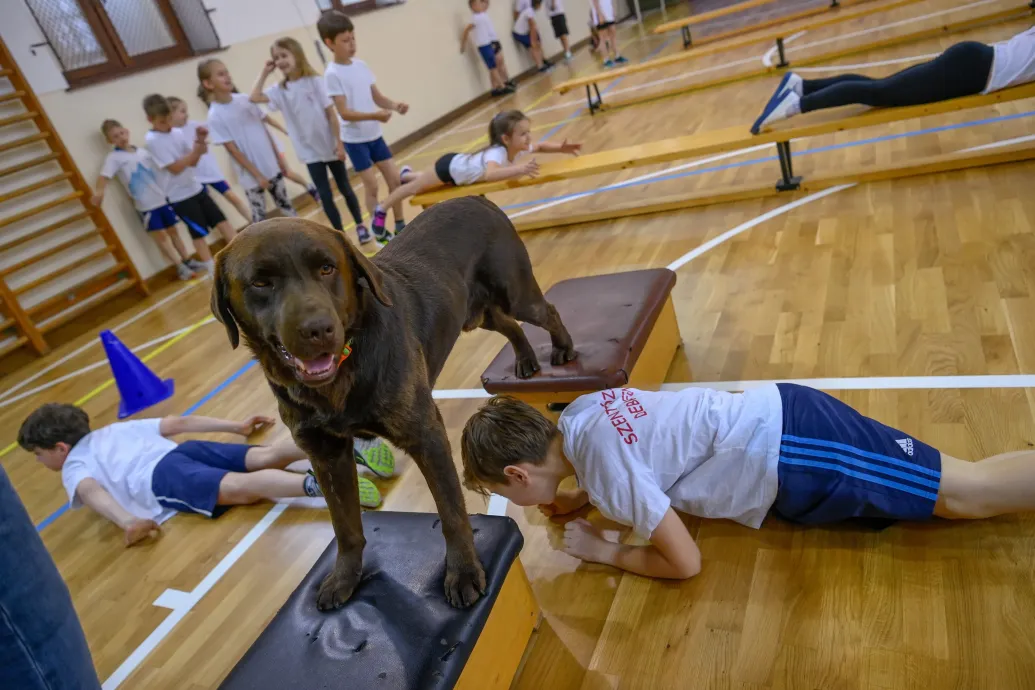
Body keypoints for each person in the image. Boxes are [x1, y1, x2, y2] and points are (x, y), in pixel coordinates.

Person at [460, 386, 1035, 580]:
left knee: (965, 492)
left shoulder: (609, 477)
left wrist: (605, 551)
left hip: (798, 450)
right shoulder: (579, 414)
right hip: (787, 419)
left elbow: (686, 563)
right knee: (957, 481)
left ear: (518, 473)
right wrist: (571, 499)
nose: (513, 502)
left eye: (507, 492)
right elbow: (631, 449)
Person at [17, 404, 396, 546]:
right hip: (186, 451)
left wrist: (128, 520)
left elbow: (90, 490)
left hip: (162, 478)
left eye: (38, 456)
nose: (40, 463)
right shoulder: (113, 430)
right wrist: (236, 425)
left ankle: (322, 484)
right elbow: (177, 422)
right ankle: (353, 444)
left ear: (60, 449)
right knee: (267, 455)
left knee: (243, 488)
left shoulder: (74, 466)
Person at [751, 27, 1035, 134]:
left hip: (975, 58)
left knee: (880, 86)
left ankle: (802, 86)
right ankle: (796, 104)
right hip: (972, 71)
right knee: (880, 92)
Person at [369, 110, 580, 234]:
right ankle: (382, 208)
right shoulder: (497, 154)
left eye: (528, 133)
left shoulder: (518, 148)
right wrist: (520, 169)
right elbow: (490, 175)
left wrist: (561, 148)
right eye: (523, 134)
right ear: (506, 139)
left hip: (458, 170)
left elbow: (541, 146)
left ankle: (406, 173)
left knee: (423, 180)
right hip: (449, 168)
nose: (528, 138)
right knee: (415, 188)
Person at [250, 37, 368, 242]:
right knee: (325, 194)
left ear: (297, 55)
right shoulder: (280, 91)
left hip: (330, 146)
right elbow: (254, 97)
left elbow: (332, 115)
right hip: (309, 151)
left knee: (345, 188)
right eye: (276, 58)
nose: (280, 61)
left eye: (284, 55)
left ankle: (360, 225)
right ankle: (340, 235)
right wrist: (264, 72)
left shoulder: (315, 82)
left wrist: (339, 144)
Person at [318, 11, 409, 246]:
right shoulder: (332, 75)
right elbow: (344, 113)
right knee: (372, 185)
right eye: (345, 41)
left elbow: (376, 97)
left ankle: (400, 225)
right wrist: (375, 116)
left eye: (353, 38)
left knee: (395, 180)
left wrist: (394, 105)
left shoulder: (361, 65)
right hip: (356, 141)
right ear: (329, 43)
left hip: (374, 136)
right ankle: (378, 229)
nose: (352, 44)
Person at [93, 119, 200, 281]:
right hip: (146, 205)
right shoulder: (114, 158)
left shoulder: (144, 152)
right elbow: (103, 177)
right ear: (110, 141)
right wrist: (99, 192)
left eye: (121, 133)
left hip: (162, 199)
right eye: (115, 137)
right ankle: (180, 266)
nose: (121, 138)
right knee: (162, 237)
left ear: (126, 131)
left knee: (174, 231)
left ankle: (188, 260)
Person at [198, 59, 300, 224]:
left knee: (287, 206)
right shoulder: (215, 115)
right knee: (259, 219)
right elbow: (233, 150)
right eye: (221, 74)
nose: (227, 77)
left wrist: (278, 159)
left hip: (271, 166)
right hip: (251, 177)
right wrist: (257, 175)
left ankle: (304, 237)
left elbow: (264, 130)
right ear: (209, 83)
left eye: (227, 72)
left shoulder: (245, 100)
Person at [143, 94, 236, 273]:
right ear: (150, 120)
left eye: (170, 119)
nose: (169, 124)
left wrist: (200, 141)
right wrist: (196, 150)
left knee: (222, 221)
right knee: (198, 233)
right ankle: (212, 270)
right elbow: (176, 168)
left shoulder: (176, 133)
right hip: (180, 197)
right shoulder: (152, 141)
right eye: (163, 122)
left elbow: (192, 160)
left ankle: (242, 256)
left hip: (196, 187)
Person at [166, 96, 253, 223]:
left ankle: (255, 223)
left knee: (232, 197)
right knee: (210, 209)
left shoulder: (196, 126)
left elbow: (214, 125)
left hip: (210, 171)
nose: (187, 114)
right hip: (193, 177)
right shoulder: (170, 136)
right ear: (171, 114)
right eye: (182, 111)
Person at [462, 0, 516, 97]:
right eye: (478, 4)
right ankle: (502, 86)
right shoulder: (474, 18)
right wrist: (463, 44)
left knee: (499, 62)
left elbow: (487, 3)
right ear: (473, 6)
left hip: (492, 42)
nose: (481, 5)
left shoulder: (483, 14)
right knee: (492, 67)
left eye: (481, 3)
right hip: (484, 45)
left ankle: (495, 87)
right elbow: (466, 30)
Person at [513, 0, 550, 73]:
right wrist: (533, 41)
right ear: (537, 4)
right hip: (519, 33)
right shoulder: (529, 12)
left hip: (525, 31)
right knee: (533, 47)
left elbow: (533, 27)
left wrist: (536, 41)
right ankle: (540, 66)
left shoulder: (531, 11)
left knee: (537, 45)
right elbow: (532, 27)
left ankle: (543, 62)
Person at [591, 0, 625, 67]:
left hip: (608, 13)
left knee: (613, 33)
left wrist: (612, 10)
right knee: (602, 37)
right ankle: (606, 60)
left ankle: (617, 56)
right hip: (601, 14)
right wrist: (599, 14)